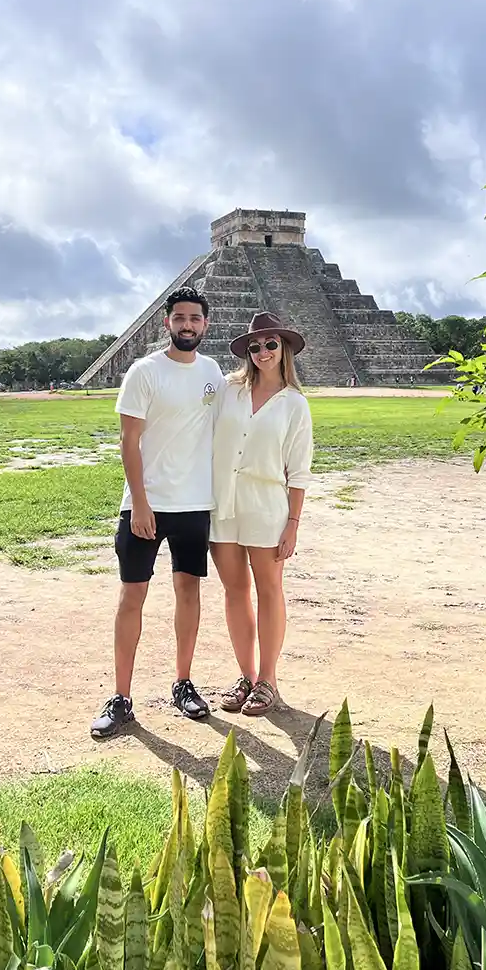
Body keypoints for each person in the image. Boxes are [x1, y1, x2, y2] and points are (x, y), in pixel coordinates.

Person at [90, 285, 224, 738]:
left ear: (206, 324)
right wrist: (141, 503)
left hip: (193, 505)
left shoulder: (213, 373)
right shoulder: (144, 372)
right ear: (166, 322)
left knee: (190, 594)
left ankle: (183, 682)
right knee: (132, 597)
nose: (188, 325)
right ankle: (122, 696)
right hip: (146, 507)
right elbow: (129, 441)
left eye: (196, 319)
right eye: (180, 317)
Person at [210, 312, 313, 716]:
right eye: (255, 346)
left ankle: (268, 679)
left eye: (271, 344)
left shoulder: (294, 404)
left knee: (269, 591)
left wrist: (293, 523)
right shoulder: (228, 392)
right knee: (235, 593)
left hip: (267, 507)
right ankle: (246, 675)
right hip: (224, 506)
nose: (263, 352)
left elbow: (299, 470)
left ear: (283, 348)